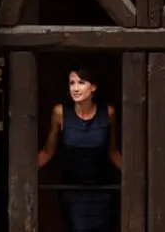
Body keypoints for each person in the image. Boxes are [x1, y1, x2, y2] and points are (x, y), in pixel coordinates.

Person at [38, 68, 121, 232]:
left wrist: (137, 178)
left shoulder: (109, 113)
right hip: (72, 191)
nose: (75, 88)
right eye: (72, 83)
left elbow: (113, 151)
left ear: (93, 87)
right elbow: (48, 151)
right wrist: (21, 173)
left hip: (103, 190)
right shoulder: (60, 113)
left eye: (81, 83)